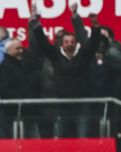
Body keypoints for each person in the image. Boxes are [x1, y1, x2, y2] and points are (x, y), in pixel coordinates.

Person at [30, 2, 96, 138]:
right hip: (62, 104)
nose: (69, 44)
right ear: (62, 44)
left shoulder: (83, 55)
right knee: (57, 138)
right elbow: (42, 43)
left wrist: (90, 23)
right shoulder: (55, 55)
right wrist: (36, 23)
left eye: (72, 41)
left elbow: (92, 43)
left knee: (83, 138)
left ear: (76, 42)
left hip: (82, 104)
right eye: (66, 42)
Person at [0, 39, 40, 138]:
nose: (21, 51)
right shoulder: (6, 66)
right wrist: (20, 100)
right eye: (17, 48)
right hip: (17, 115)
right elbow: (3, 89)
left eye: (21, 48)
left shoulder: (19, 64)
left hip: (26, 114)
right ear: (8, 50)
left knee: (34, 144)